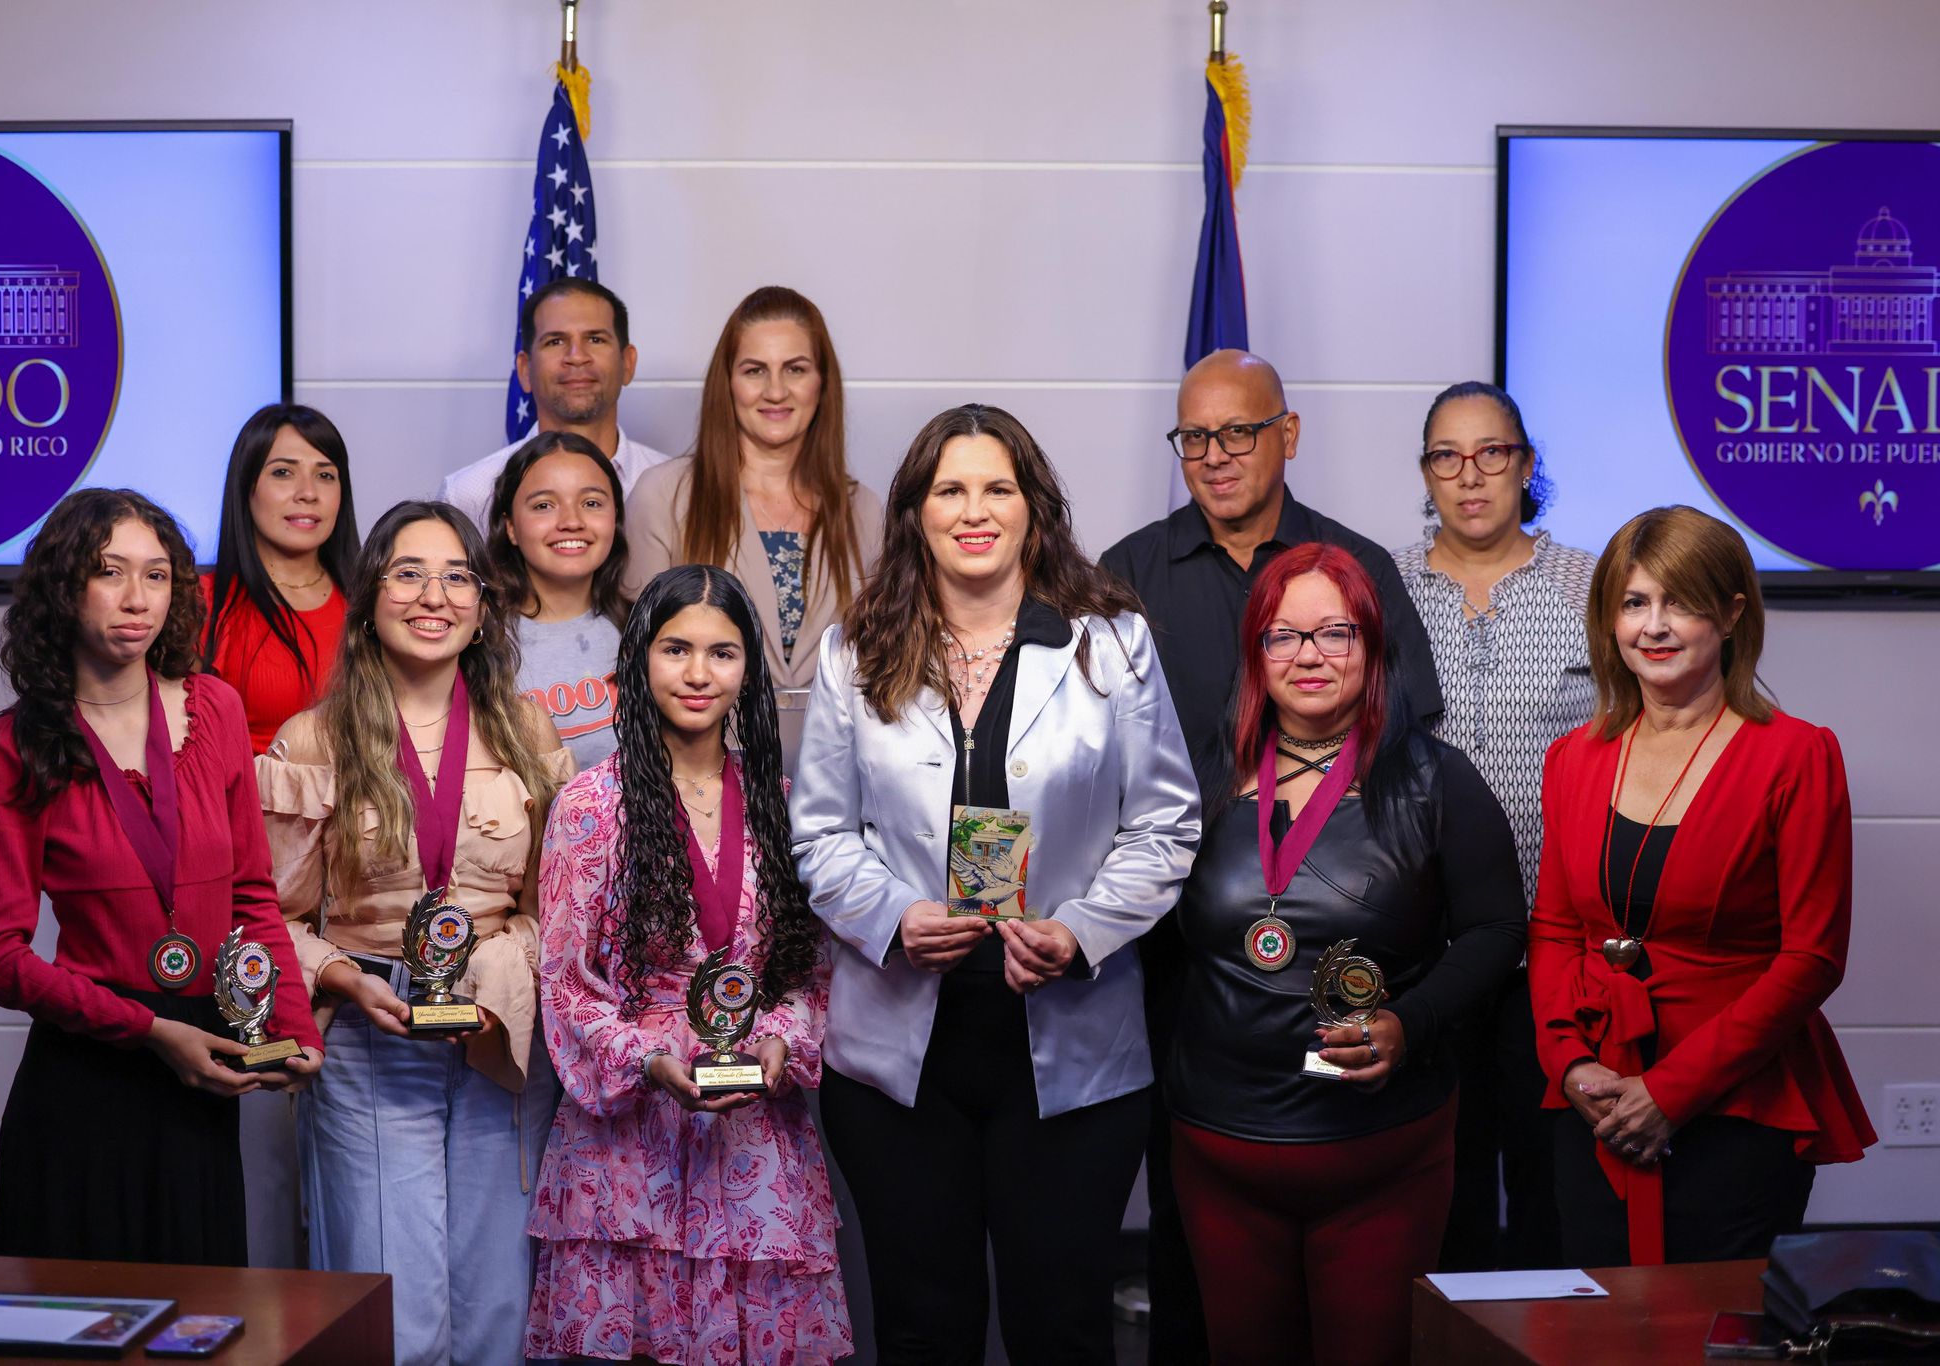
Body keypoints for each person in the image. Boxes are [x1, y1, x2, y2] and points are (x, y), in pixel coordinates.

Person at [792, 404, 1201, 1366]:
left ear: (1033, 508)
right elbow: (818, 831)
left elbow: (1166, 822)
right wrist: (892, 917)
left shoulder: (1111, 643)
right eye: (950, 490)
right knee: (922, 1324)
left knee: (1058, 1327)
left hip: (1070, 1048)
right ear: (914, 514)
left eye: (997, 488)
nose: (974, 511)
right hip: (903, 1055)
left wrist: (1085, 930)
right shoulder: (859, 648)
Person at [1097, 349, 1443, 1362]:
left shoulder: (1353, 566)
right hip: (1178, 940)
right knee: (1193, 1214)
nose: (1214, 456)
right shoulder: (1125, 574)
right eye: (1193, 437)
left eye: (1237, 432)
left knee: (1350, 1229)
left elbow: (1407, 746)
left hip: (1343, 937)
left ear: (1285, 434)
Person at [1166, 542, 1525, 1366]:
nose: (1310, 657)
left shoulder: (1437, 780)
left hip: (1381, 1161)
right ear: (1256, 653)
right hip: (1220, 1153)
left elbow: (1497, 932)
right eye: (1283, 637)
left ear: (1373, 644)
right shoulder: (1202, 775)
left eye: (1336, 633)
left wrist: (1409, 1021)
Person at [0, 487, 322, 1265]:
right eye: (109, 572)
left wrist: (291, 1024)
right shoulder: (10, 750)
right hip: (88, 1077)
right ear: (64, 586)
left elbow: (251, 895)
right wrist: (151, 1031)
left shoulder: (216, 710)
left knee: (202, 1325)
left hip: (202, 1073)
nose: (137, 599)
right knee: (85, 1328)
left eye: (156, 576)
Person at [257, 500, 571, 1366]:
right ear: (368, 601)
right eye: (408, 572)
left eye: (457, 575)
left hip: (500, 1030)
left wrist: (510, 966)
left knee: (498, 1292)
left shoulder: (529, 732)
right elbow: (268, 914)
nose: (434, 595)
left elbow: (562, 906)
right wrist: (338, 977)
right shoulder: (313, 740)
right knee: (389, 1293)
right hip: (369, 1025)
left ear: (482, 605)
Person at [1530, 505, 1873, 1267]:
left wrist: (1672, 1091)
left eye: (1680, 602)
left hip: (1734, 1103)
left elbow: (1812, 958)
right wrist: (1569, 1061)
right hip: (1594, 1099)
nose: (1653, 626)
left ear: (1730, 614)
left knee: (1716, 1337)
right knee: (1595, 1332)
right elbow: (1556, 928)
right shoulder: (1572, 758)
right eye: (1633, 602)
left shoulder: (1797, 756)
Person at [526, 565, 852, 1364]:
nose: (699, 674)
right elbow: (565, 983)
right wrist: (649, 1058)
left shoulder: (781, 802)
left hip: (755, 1134)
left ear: (749, 669)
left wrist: (779, 1035)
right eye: (676, 650)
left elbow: (807, 971)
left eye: (722, 652)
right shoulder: (591, 806)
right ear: (640, 658)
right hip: (630, 1141)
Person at [1394, 381, 1596, 1271]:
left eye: (1492, 453)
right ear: (1426, 474)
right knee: (1441, 1182)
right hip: (1422, 939)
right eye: (1447, 456)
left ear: (1527, 464)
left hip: (1560, 942)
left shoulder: (1594, 585)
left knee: (1555, 1180)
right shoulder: (1379, 590)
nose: (1470, 476)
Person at [624, 286, 883, 763]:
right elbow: (638, 664)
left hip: (840, 784)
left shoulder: (866, 511)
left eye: (796, 369)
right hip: (701, 782)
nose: (776, 391)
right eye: (754, 370)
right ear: (727, 383)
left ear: (822, 383)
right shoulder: (663, 495)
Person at [440, 277, 671, 528]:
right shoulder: (469, 494)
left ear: (628, 363)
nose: (577, 357)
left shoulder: (679, 488)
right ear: (525, 370)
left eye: (595, 339)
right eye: (555, 341)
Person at [202, 403, 361, 755]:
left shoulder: (372, 602)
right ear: (247, 486)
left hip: (360, 806)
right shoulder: (203, 603)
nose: (308, 492)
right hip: (244, 807)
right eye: (283, 473)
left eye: (325, 475)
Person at [487, 430, 630, 769]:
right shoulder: (480, 639)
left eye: (592, 503)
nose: (571, 522)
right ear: (510, 527)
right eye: (544, 506)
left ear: (615, 519)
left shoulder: (647, 627)